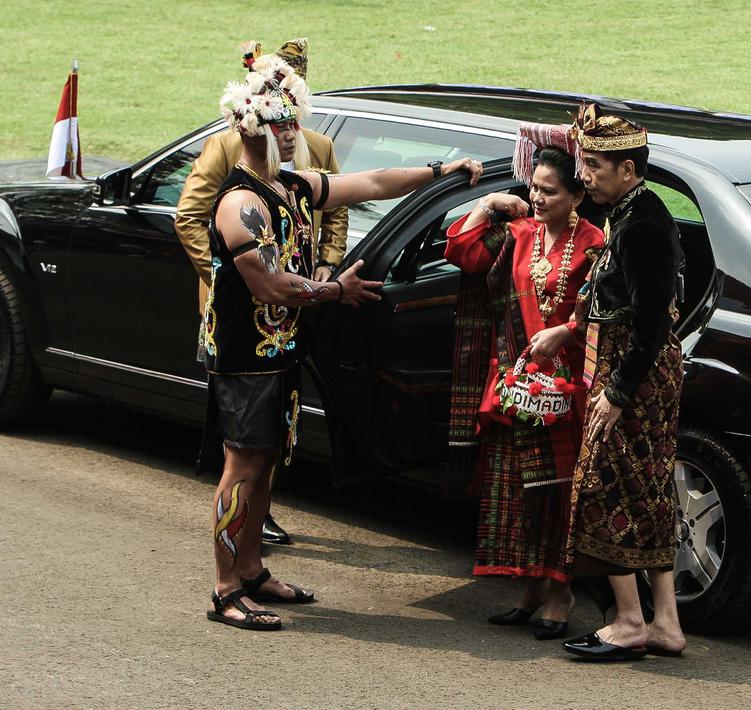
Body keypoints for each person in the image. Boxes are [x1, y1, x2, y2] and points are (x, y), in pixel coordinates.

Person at [202, 47, 482, 631]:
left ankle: (252, 570)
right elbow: (274, 286)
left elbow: (372, 181)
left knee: (269, 463)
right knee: (243, 466)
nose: (289, 132)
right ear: (249, 127)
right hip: (244, 358)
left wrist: (440, 173)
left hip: (280, 354)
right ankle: (227, 589)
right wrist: (336, 290)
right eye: (277, 123)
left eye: (291, 121)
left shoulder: (294, 185)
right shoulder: (240, 204)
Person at [178, 39, 349, 545]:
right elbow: (190, 216)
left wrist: (326, 265)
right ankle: (233, 572)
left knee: (277, 433)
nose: (289, 119)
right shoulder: (230, 151)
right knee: (244, 447)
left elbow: (340, 205)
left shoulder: (315, 149)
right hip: (243, 320)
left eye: (293, 97)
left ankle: (258, 530)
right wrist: (225, 276)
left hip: (295, 308)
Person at [444, 124, 605, 640]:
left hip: (568, 388)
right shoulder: (519, 234)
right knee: (519, 491)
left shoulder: (595, 244)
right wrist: (491, 201)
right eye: (532, 187)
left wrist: (567, 331)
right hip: (515, 385)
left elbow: (604, 313)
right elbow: (461, 249)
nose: (536, 198)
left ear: (578, 195)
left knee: (555, 492)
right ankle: (532, 589)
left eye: (549, 191)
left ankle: (561, 593)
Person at [557, 104, 687, 661]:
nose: (583, 175)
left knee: (599, 487)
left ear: (628, 170)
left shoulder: (644, 225)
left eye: (594, 165)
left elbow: (653, 321)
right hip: (637, 368)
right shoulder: (631, 212)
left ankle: (631, 620)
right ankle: (667, 625)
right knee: (648, 491)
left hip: (635, 373)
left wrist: (617, 390)